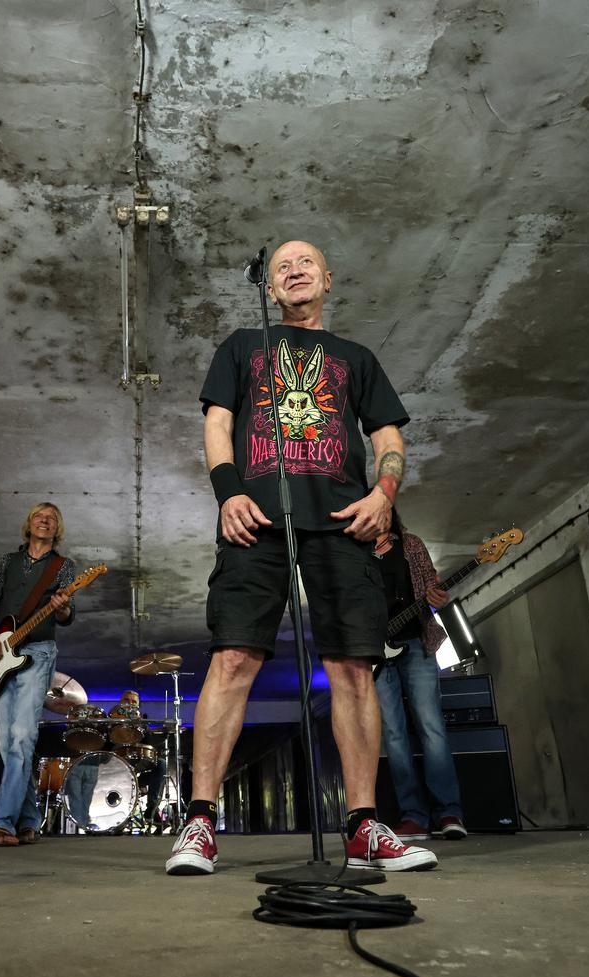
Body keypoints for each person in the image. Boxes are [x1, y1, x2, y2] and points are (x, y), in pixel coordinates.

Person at [166, 239, 438, 875]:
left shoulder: (356, 358)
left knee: (353, 667)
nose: (294, 271)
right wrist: (228, 492)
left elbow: (387, 435)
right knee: (234, 657)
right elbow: (217, 422)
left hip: (342, 522)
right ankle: (199, 823)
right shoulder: (242, 346)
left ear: (328, 279)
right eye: (282, 266)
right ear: (269, 288)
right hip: (256, 519)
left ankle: (364, 827)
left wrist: (385, 493)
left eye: (305, 262)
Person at [0, 502, 76, 846]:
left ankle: (2, 824)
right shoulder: (8, 562)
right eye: (39, 516)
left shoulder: (64, 567)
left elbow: (67, 616)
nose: (45, 521)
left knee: (22, 737)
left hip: (38, 653)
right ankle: (29, 819)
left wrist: (62, 607)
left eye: (52, 518)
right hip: (1, 655)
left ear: (57, 528)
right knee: (9, 744)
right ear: (29, 523)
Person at [373, 510, 468, 841]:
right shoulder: (354, 554)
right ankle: (413, 817)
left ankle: (450, 812)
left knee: (431, 726)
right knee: (393, 734)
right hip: (376, 653)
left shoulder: (410, 545)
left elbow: (431, 588)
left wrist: (437, 598)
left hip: (416, 643)